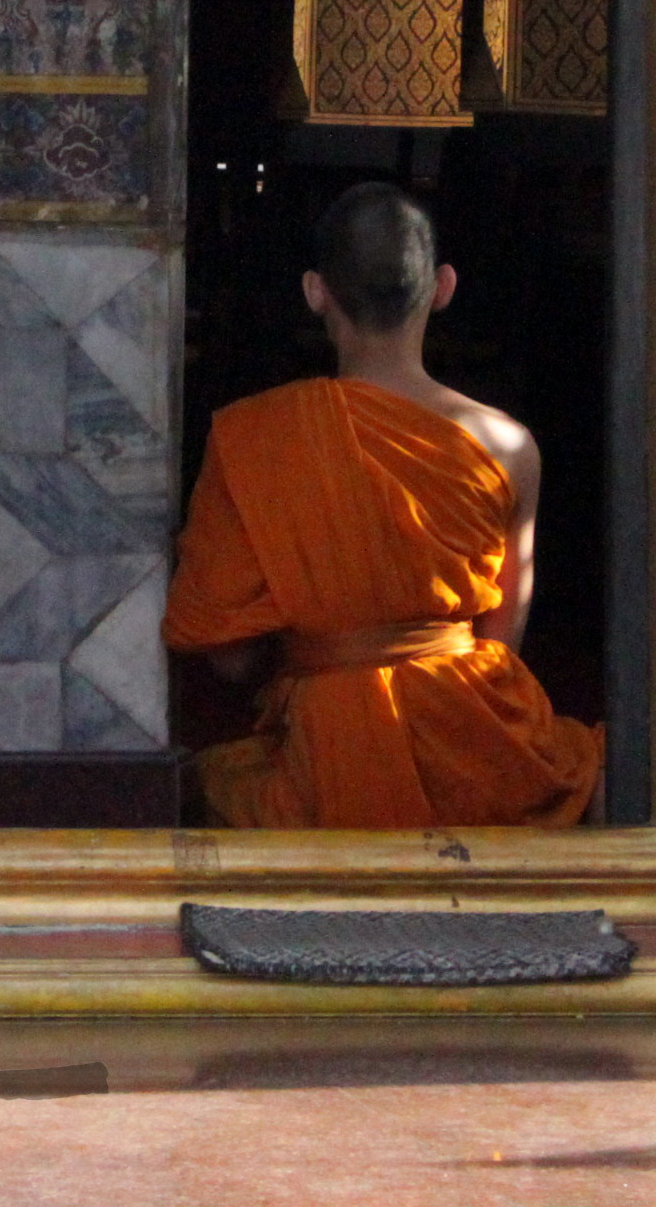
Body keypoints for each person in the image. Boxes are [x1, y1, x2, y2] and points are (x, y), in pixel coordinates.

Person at [162, 181, 605, 828]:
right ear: (443, 287)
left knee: (208, 788)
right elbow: (501, 642)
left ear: (316, 291)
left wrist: (326, 648)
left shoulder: (254, 438)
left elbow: (229, 660)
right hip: (475, 750)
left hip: (323, 766)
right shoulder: (510, 446)